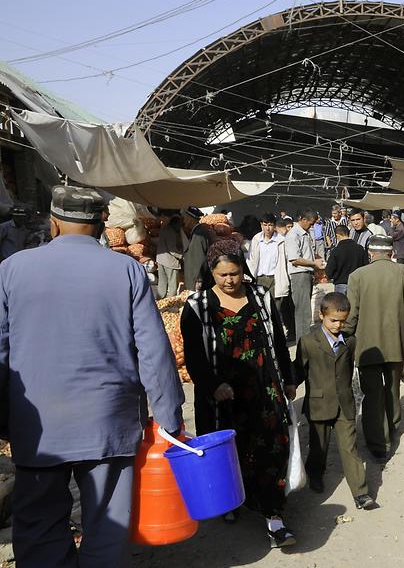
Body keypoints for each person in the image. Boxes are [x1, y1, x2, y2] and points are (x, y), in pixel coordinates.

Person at [0, 185, 184, 566]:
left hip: (38, 427)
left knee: (38, 526)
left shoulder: (12, 269)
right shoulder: (126, 270)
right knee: (107, 526)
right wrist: (169, 418)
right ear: (102, 225)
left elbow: (1, 352)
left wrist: (5, 420)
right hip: (109, 423)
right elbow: (153, 350)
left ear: (53, 224)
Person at [180, 239, 297, 547]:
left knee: (272, 447)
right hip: (222, 396)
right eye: (223, 276)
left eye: (235, 273)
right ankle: (230, 501)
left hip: (263, 388)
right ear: (211, 273)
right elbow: (193, 356)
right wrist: (212, 385)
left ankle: (274, 515)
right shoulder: (197, 305)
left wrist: (288, 378)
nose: (231, 281)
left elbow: (279, 341)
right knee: (229, 451)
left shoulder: (260, 295)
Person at [345, 235, 404, 458]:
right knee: (393, 386)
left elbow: (351, 314)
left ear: (370, 253)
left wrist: (345, 335)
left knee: (372, 393)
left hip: (367, 345)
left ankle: (378, 443)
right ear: (391, 253)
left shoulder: (357, 277)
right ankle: (392, 428)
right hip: (397, 342)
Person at [296, 293, 376, 510]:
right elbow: (299, 371)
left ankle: (361, 493)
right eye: (333, 320)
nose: (338, 325)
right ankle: (315, 474)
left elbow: (348, 368)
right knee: (318, 446)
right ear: (322, 316)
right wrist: (290, 387)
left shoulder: (350, 341)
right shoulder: (308, 342)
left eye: (342, 320)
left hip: (344, 402)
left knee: (350, 447)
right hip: (318, 403)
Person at [285, 209, 325, 340]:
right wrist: (314, 263)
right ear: (303, 220)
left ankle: (305, 340)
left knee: (305, 310)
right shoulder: (293, 235)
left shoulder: (305, 233)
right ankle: (303, 342)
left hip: (306, 274)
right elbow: (294, 259)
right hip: (299, 275)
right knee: (303, 311)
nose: (312, 226)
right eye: (311, 223)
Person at [248, 214, 291, 333]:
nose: (267, 228)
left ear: (274, 226)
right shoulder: (256, 240)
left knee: (275, 310)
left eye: (270, 225)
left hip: (275, 279)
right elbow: (251, 260)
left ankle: (277, 335)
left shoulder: (280, 241)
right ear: (261, 225)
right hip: (260, 279)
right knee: (261, 309)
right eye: (265, 225)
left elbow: (286, 261)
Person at [325, 225, 368, 295]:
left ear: (337, 235)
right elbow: (365, 267)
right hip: (357, 284)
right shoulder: (360, 249)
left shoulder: (336, 251)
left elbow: (329, 271)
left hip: (341, 284)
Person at [157, 213, 187, 298]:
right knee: (173, 284)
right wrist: (182, 256)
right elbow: (172, 250)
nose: (180, 227)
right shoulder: (172, 232)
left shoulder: (164, 229)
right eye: (180, 225)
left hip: (160, 259)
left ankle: (159, 299)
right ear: (176, 223)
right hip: (170, 262)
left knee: (162, 282)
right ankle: (170, 301)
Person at [182, 206, 211, 291]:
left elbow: (200, 259)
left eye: (185, 218)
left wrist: (198, 280)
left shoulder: (199, 234)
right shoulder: (197, 231)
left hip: (196, 280)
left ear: (190, 219)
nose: (184, 220)